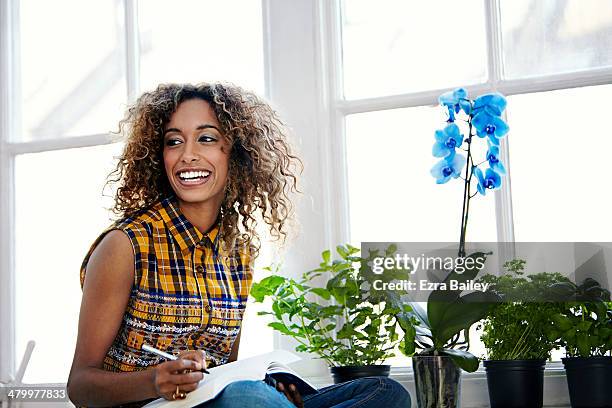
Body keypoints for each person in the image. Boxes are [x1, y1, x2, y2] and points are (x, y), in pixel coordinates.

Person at [67, 82, 411, 408]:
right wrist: (155, 381)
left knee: (385, 391)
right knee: (248, 398)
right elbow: (80, 386)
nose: (187, 155)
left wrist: (272, 385)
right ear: (159, 156)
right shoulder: (124, 245)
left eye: (205, 138)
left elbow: (221, 378)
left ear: (237, 153)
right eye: (173, 142)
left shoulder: (237, 254)